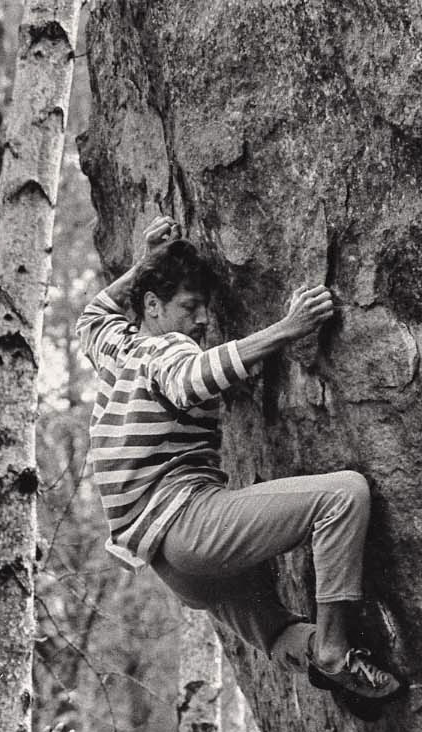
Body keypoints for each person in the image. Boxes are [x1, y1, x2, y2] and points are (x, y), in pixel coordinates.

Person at [75, 214, 402, 706]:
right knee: (344, 496)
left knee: (279, 633)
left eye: (204, 309)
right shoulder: (165, 349)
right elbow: (192, 379)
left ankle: (321, 654)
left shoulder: (116, 347)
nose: (202, 320)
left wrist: (146, 262)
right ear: (152, 306)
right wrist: (288, 329)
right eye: (190, 307)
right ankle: (334, 650)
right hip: (189, 526)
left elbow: (90, 317)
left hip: (175, 568)